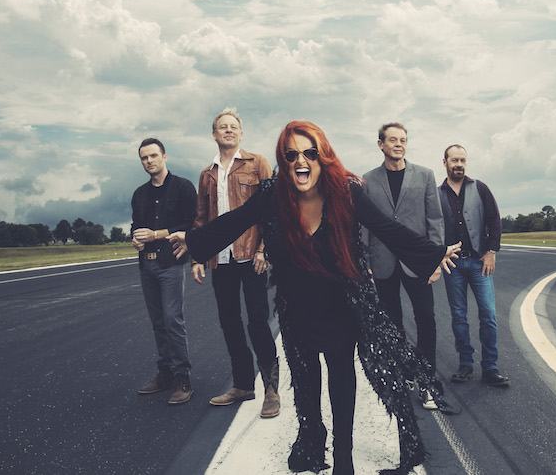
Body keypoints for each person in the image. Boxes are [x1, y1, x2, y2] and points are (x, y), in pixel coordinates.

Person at [170, 121, 460, 475]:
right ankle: (312, 443)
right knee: (307, 388)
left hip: (342, 305)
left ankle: (343, 459)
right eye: (291, 154)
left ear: (322, 157)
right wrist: (194, 241)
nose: (300, 161)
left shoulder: (347, 192)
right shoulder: (272, 195)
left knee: (341, 379)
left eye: (309, 152)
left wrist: (432, 254)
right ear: (283, 160)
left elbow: (387, 229)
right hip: (296, 309)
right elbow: (235, 221)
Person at [190, 107, 279, 418]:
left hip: (251, 256)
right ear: (214, 135)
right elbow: (202, 219)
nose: (228, 130)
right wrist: (197, 255)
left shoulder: (258, 163)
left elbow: (272, 209)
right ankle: (243, 384)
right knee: (229, 322)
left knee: (257, 321)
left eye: (233, 127)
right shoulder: (207, 174)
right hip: (221, 258)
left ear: (241, 133)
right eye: (222, 127)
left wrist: (264, 249)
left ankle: (271, 388)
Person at [362, 123, 444, 410]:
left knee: (426, 320)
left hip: (417, 263)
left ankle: (427, 382)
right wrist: (367, 262)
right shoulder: (369, 180)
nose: (399, 144)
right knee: (391, 324)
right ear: (380, 144)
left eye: (403, 140)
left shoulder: (425, 175)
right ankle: (403, 376)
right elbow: (364, 224)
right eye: (393, 140)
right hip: (382, 262)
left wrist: (433, 261)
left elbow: (435, 221)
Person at [131, 138, 198, 404]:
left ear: (164, 157)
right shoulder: (139, 194)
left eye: (153, 156)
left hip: (169, 263)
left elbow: (190, 224)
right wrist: (135, 239)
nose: (149, 161)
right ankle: (166, 373)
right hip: (145, 264)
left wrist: (156, 234)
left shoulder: (183, 188)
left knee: (173, 320)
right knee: (158, 323)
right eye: (144, 158)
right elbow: (136, 226)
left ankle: (183, 377)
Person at [438, 144, 509, 387]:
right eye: (454, 160)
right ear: (444, 162)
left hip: (480, 263)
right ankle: (465, 364)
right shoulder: (436, 194)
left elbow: (494, 221)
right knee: (459, 316)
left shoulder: (480, 188)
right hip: (454, 264)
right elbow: (433, 228)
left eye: (462, 160)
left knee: (488, 314)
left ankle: (490, 367)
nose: (459, 164)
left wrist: (491, 252)